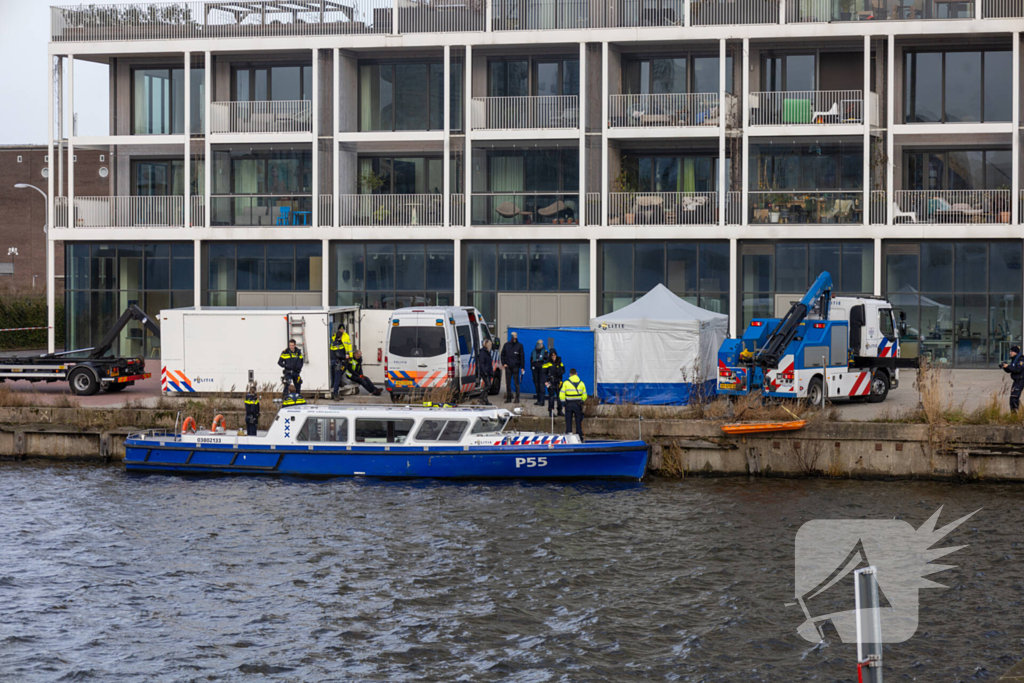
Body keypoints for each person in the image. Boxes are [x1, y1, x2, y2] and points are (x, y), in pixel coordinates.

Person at [559, 368, 588, 439]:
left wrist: (563, 404)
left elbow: (561, 395)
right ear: (576, 374)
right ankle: (579, 436)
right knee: (578, 421)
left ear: (570, 374)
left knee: (568, 421)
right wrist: (582, 401)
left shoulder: (566, 383)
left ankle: (569, 436)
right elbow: (585, 396)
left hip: (568, 404)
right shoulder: (581, 383)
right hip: (578, 404)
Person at [500, 331, 525, 403]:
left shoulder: (520, 346)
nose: (515, 338)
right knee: (508, 383)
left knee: (516, 383)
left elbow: (522, 357)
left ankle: (517, 398)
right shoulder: (506, 345)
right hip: (508, 367)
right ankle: (508, 398)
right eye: (514, 336)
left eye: (516, 336)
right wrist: (504, 363)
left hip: (516, 367)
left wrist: (522, 366)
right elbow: (502, 354)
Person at [1001, 344, 1024, 412]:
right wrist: (1005, 367)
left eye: (1011, 351)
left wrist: (1008, 366)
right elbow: (1011, 370)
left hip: (1020, 380)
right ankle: (1016, 415)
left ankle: (1018, 414)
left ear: (1015, 352)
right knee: (1012, 398)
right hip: (1016, 380)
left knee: (1014, 398)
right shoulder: (1014, 359)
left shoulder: (1021, 360)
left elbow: (1017, 370)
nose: (1010, 353)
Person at [543, 349, 565, 418]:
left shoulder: (559, 361)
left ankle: (559, 410)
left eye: (554, 355)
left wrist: (559, 372)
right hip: (551, 381)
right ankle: (551, 411)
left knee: (560, 397)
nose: (553, 356)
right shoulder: (547, 362)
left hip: (558, 381)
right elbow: (543, 373)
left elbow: (563, 370)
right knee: (551, 397)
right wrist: (545, 381)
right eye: (552, 355)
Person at [330, 329, 350, 400]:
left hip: (335, 362)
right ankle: (335, 395)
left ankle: (335, 393)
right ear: (340, 336)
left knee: (337, 378)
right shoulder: (337, 344)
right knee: (337, 379)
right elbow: (338, 354)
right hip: (337, 363)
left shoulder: (335, 342)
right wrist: (345, 356)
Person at [477, 339, 495, 405]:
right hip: (485, 372)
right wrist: (485, 372)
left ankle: (485, 400)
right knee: (488, 385)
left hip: (488, 371)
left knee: (487, 386)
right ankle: (481, 397)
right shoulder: (483, 353)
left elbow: (489, 363)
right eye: (490, 345)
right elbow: (482, 363)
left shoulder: (487, 352)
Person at [530, 339, 548, 406]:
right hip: (535, 370)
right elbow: (531, 361)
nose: (539, 345)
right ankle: (538, 400)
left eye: (540, 344)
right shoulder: (533, 351)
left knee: (541, 386)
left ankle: (542, 401)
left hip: (542, 371)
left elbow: (546, 360)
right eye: (538, 343)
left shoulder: (545, 352)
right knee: (537, 385)